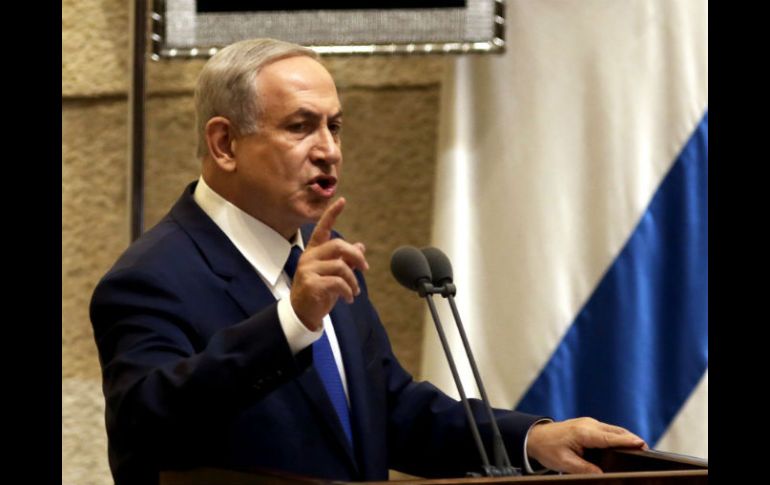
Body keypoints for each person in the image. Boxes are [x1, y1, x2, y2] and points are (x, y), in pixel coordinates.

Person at [90, 38, 645, 485]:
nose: (328, 149)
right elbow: (146, 425)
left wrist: (529, 440)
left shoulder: (319, 254)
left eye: (334, 126)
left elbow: (390, 411)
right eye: (300, 126)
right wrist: (290, 323)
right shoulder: (152, 277)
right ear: (224, 144)